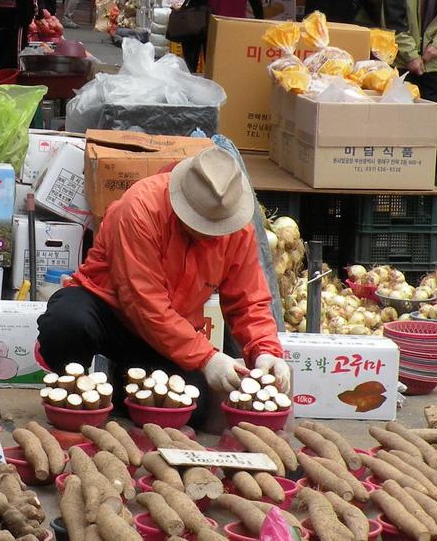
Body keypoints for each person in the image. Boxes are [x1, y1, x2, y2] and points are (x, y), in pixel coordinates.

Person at [36, 146, 290, 427]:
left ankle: (121, 389)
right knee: (65, 323)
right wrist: (207, 358)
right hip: (107, 309)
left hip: (169, 333)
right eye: (201, 223)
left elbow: (248, 301)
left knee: (193, 408)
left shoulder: (236, 228)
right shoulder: (140, 208)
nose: (209, 233)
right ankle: (71, 393)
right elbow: (144, 302)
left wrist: (265, 350)